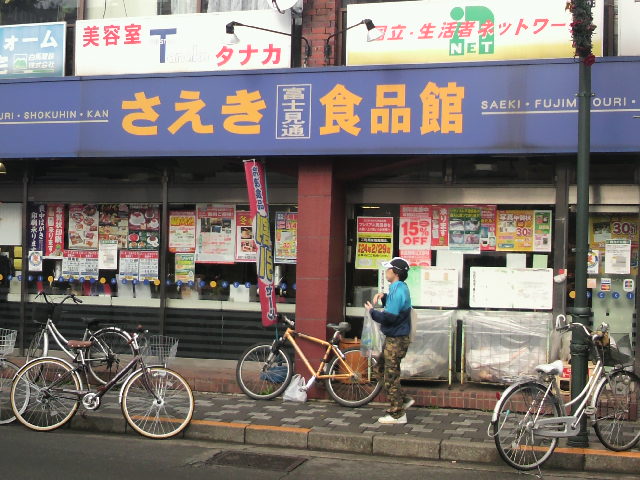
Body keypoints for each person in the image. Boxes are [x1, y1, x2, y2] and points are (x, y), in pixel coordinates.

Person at [364, 257, 414, 424]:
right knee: (380, 369)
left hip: (396, 339)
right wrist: (384, 297)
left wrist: (372, 312)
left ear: (396, 272)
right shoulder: (397, 288)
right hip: (394, 337)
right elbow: (394, 306)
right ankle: (402, 400)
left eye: (389, 269)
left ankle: (397, 414)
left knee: (390, 375)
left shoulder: (399, 290)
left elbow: (390, 317)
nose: (386, 272)